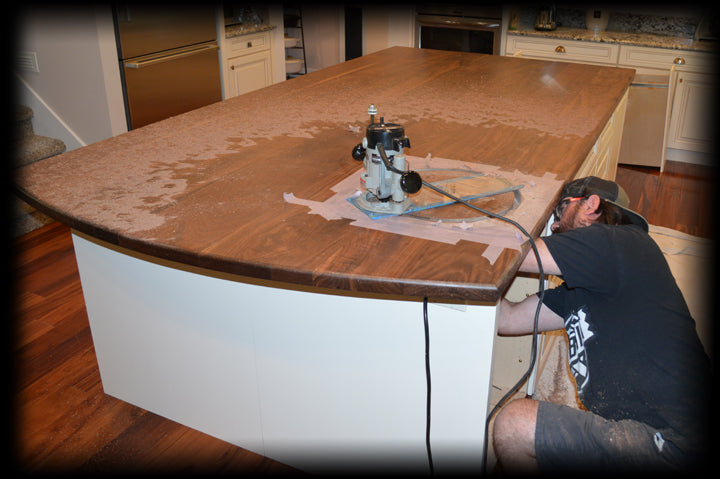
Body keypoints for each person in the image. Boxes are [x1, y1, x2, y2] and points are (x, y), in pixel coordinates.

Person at [493, 176, 712, 473]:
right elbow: (507, 319)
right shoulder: (579, 292)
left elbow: (513, 254)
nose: (554, 226)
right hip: (644, 432)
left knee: (514, 424)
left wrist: (469, 229)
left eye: (559, 212)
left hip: (678, 441)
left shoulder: (620, 242)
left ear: (590, 205)